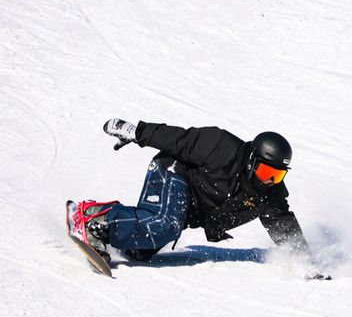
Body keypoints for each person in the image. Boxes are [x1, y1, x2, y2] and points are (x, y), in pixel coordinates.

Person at [67, 118, 329, 278]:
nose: (269, 181)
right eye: (266, 172)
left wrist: (304, 263)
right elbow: (178, 139)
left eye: (277, 175)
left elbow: (284, 225)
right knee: (164, 224)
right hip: (174, 171)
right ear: (252, 161)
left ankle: (110, 231)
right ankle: (92, 218)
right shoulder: (221, 146)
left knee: (140, 249)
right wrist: (136, 131)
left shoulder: (269, 194)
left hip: (191, 205)